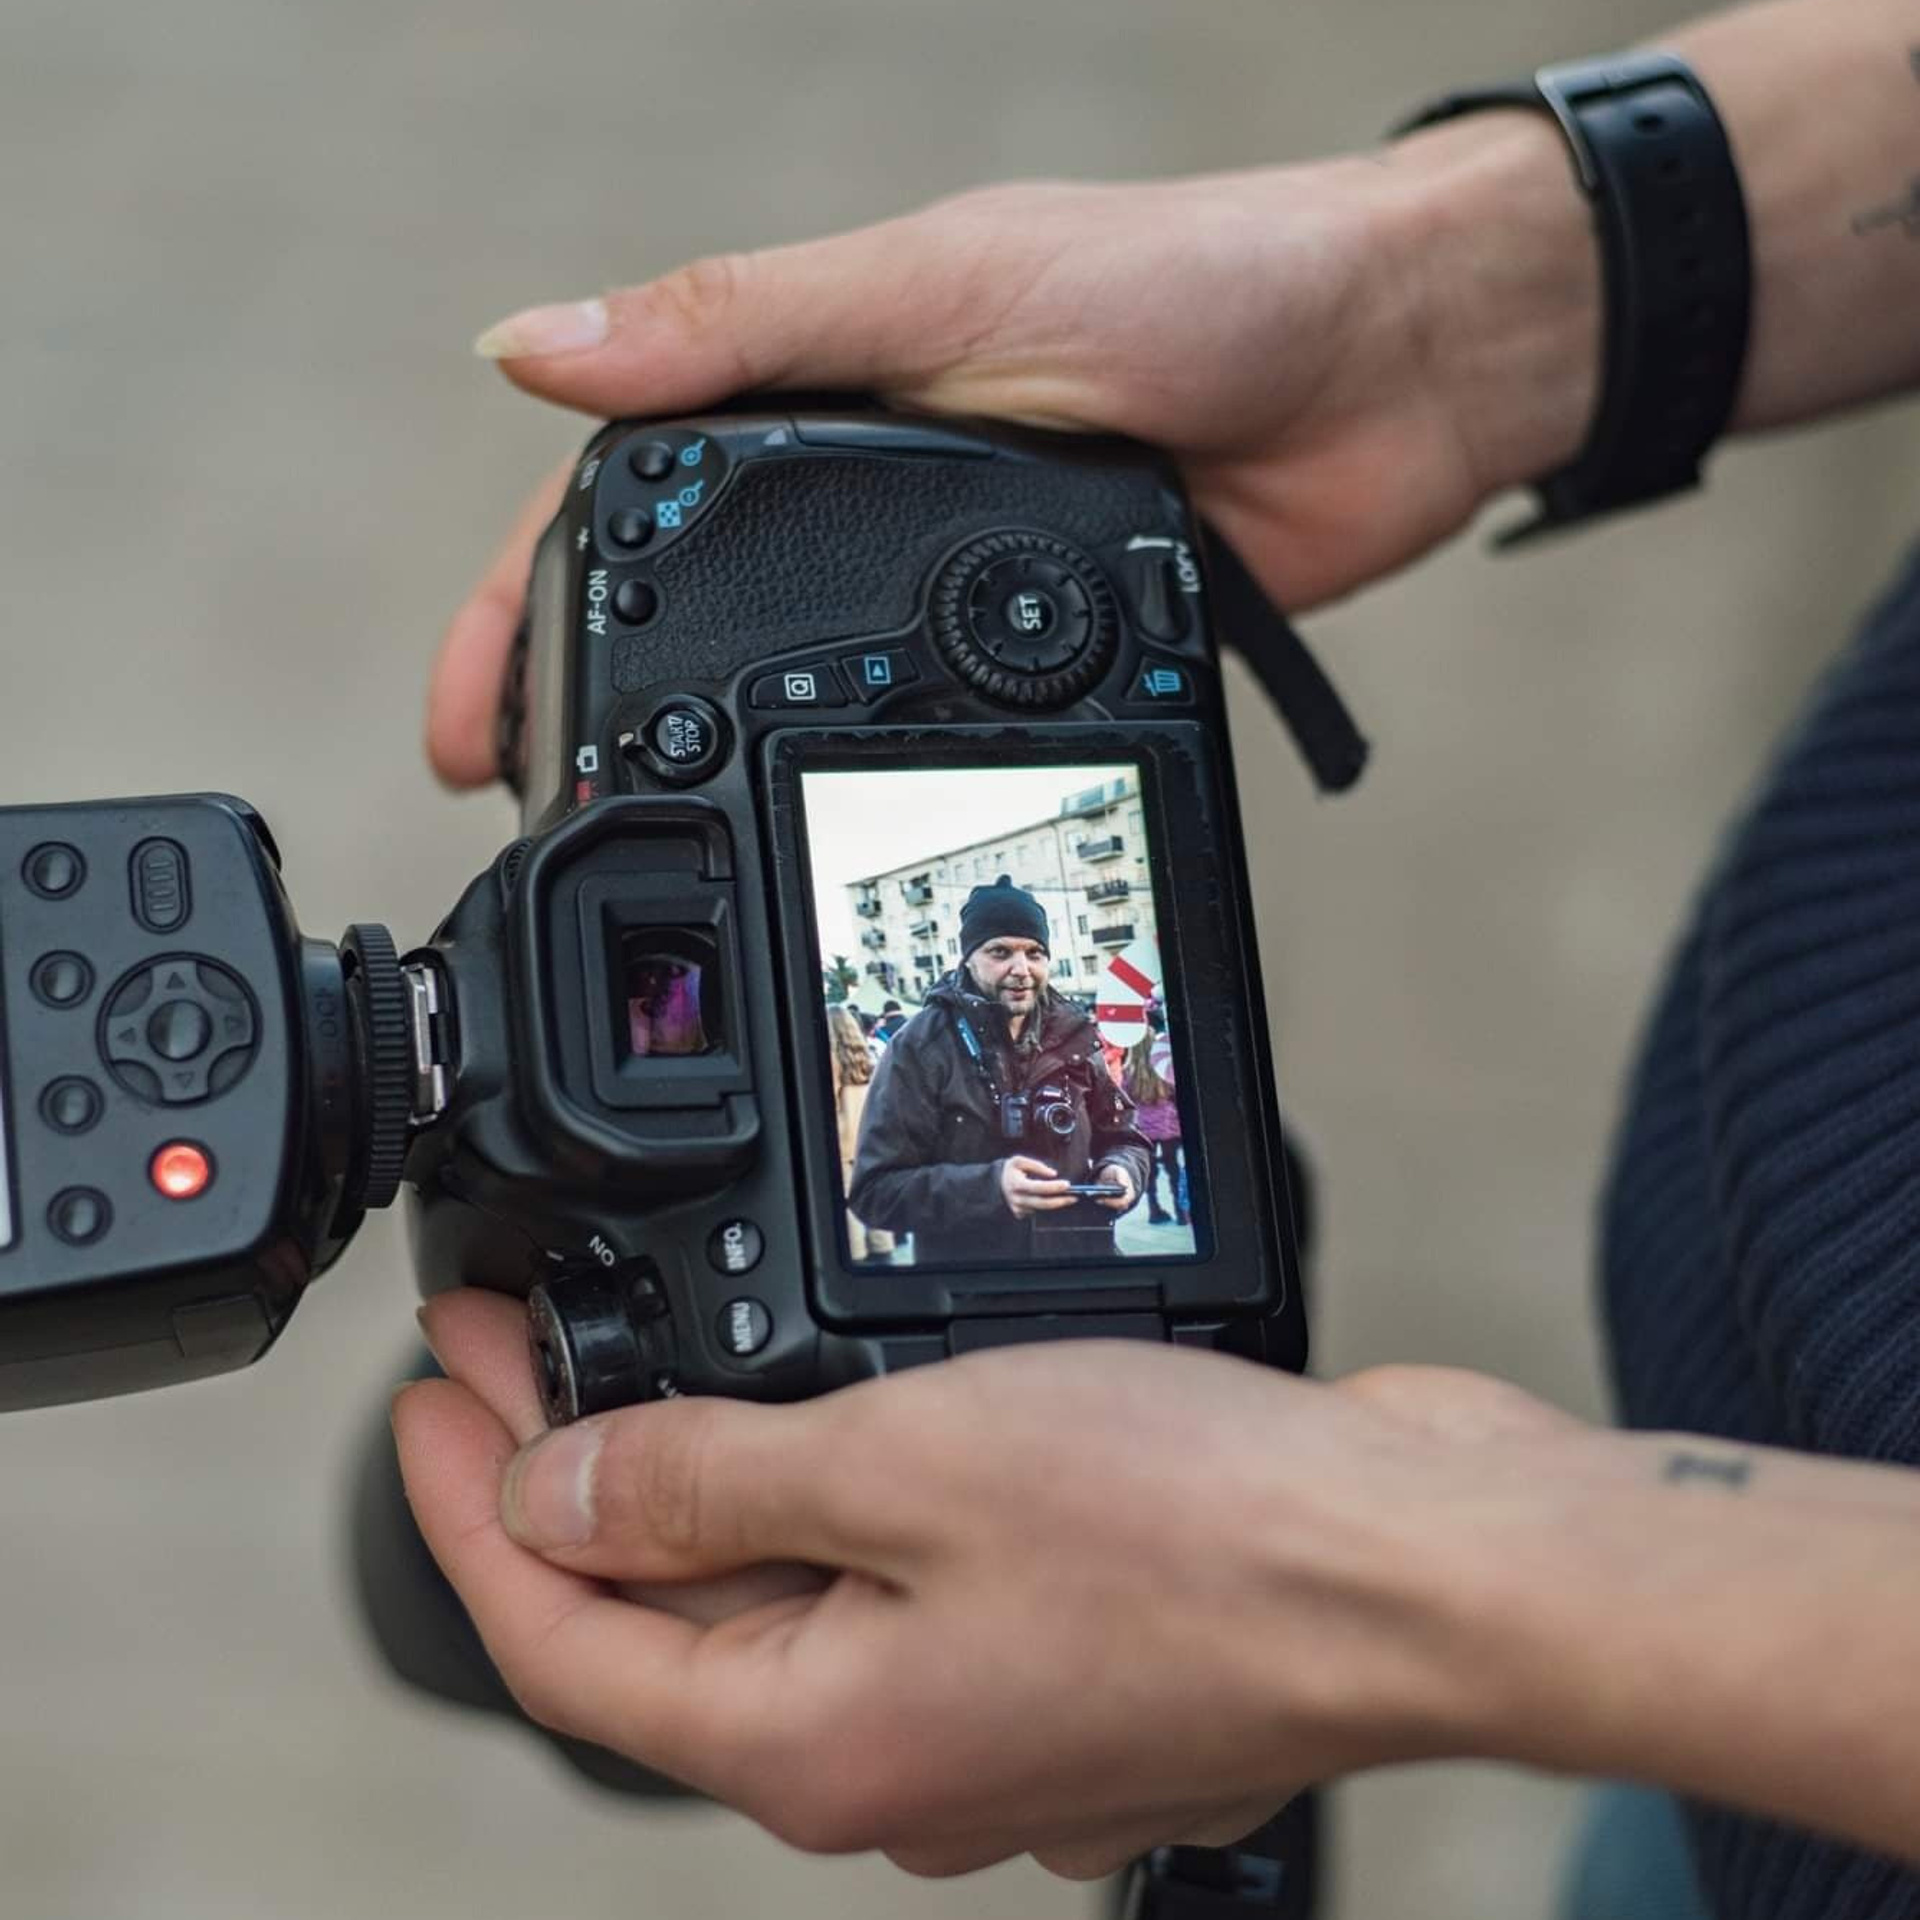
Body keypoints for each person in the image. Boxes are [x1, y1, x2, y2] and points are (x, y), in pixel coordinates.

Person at [400, 0, 1920, 1904]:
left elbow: (1125, 1148)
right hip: (1740, 1639)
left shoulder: (1061, 1045)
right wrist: (1476, 287)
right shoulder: (945, 1041)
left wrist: (1409, 1587)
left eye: (1036, 956)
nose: (1025, 978)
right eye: (1005, 954)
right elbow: (895, 1160)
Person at [846, 876, 1149, 1263]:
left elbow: (1125, 1138)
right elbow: (875, 1191)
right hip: (977, 1289)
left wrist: (1120, 1171)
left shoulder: (1075, 1035)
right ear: (969, 957)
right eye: (1001, 952)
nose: (1021, 968)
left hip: (1082, 1270)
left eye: (1035, 953)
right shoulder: (919, 1046)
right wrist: (990, 1189)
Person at [825, 1005, 896, 1262]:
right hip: (868, 1132)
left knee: (848, 1200)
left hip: (843, 1137)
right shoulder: (865, 1055)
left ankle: (858, 1254)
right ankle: (883, 1247)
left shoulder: (831, 1061)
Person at [1124, 1009, 1186, 1227]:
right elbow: (1176, 1094)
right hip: (1169, 1128)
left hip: (1144, 1130)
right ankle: (1181, 1213)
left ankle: (1154, 1210)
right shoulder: (1164, 1067)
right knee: (1174, 1170)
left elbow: (1126, 1100)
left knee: (1149, 1173)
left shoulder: (1128, 1072)